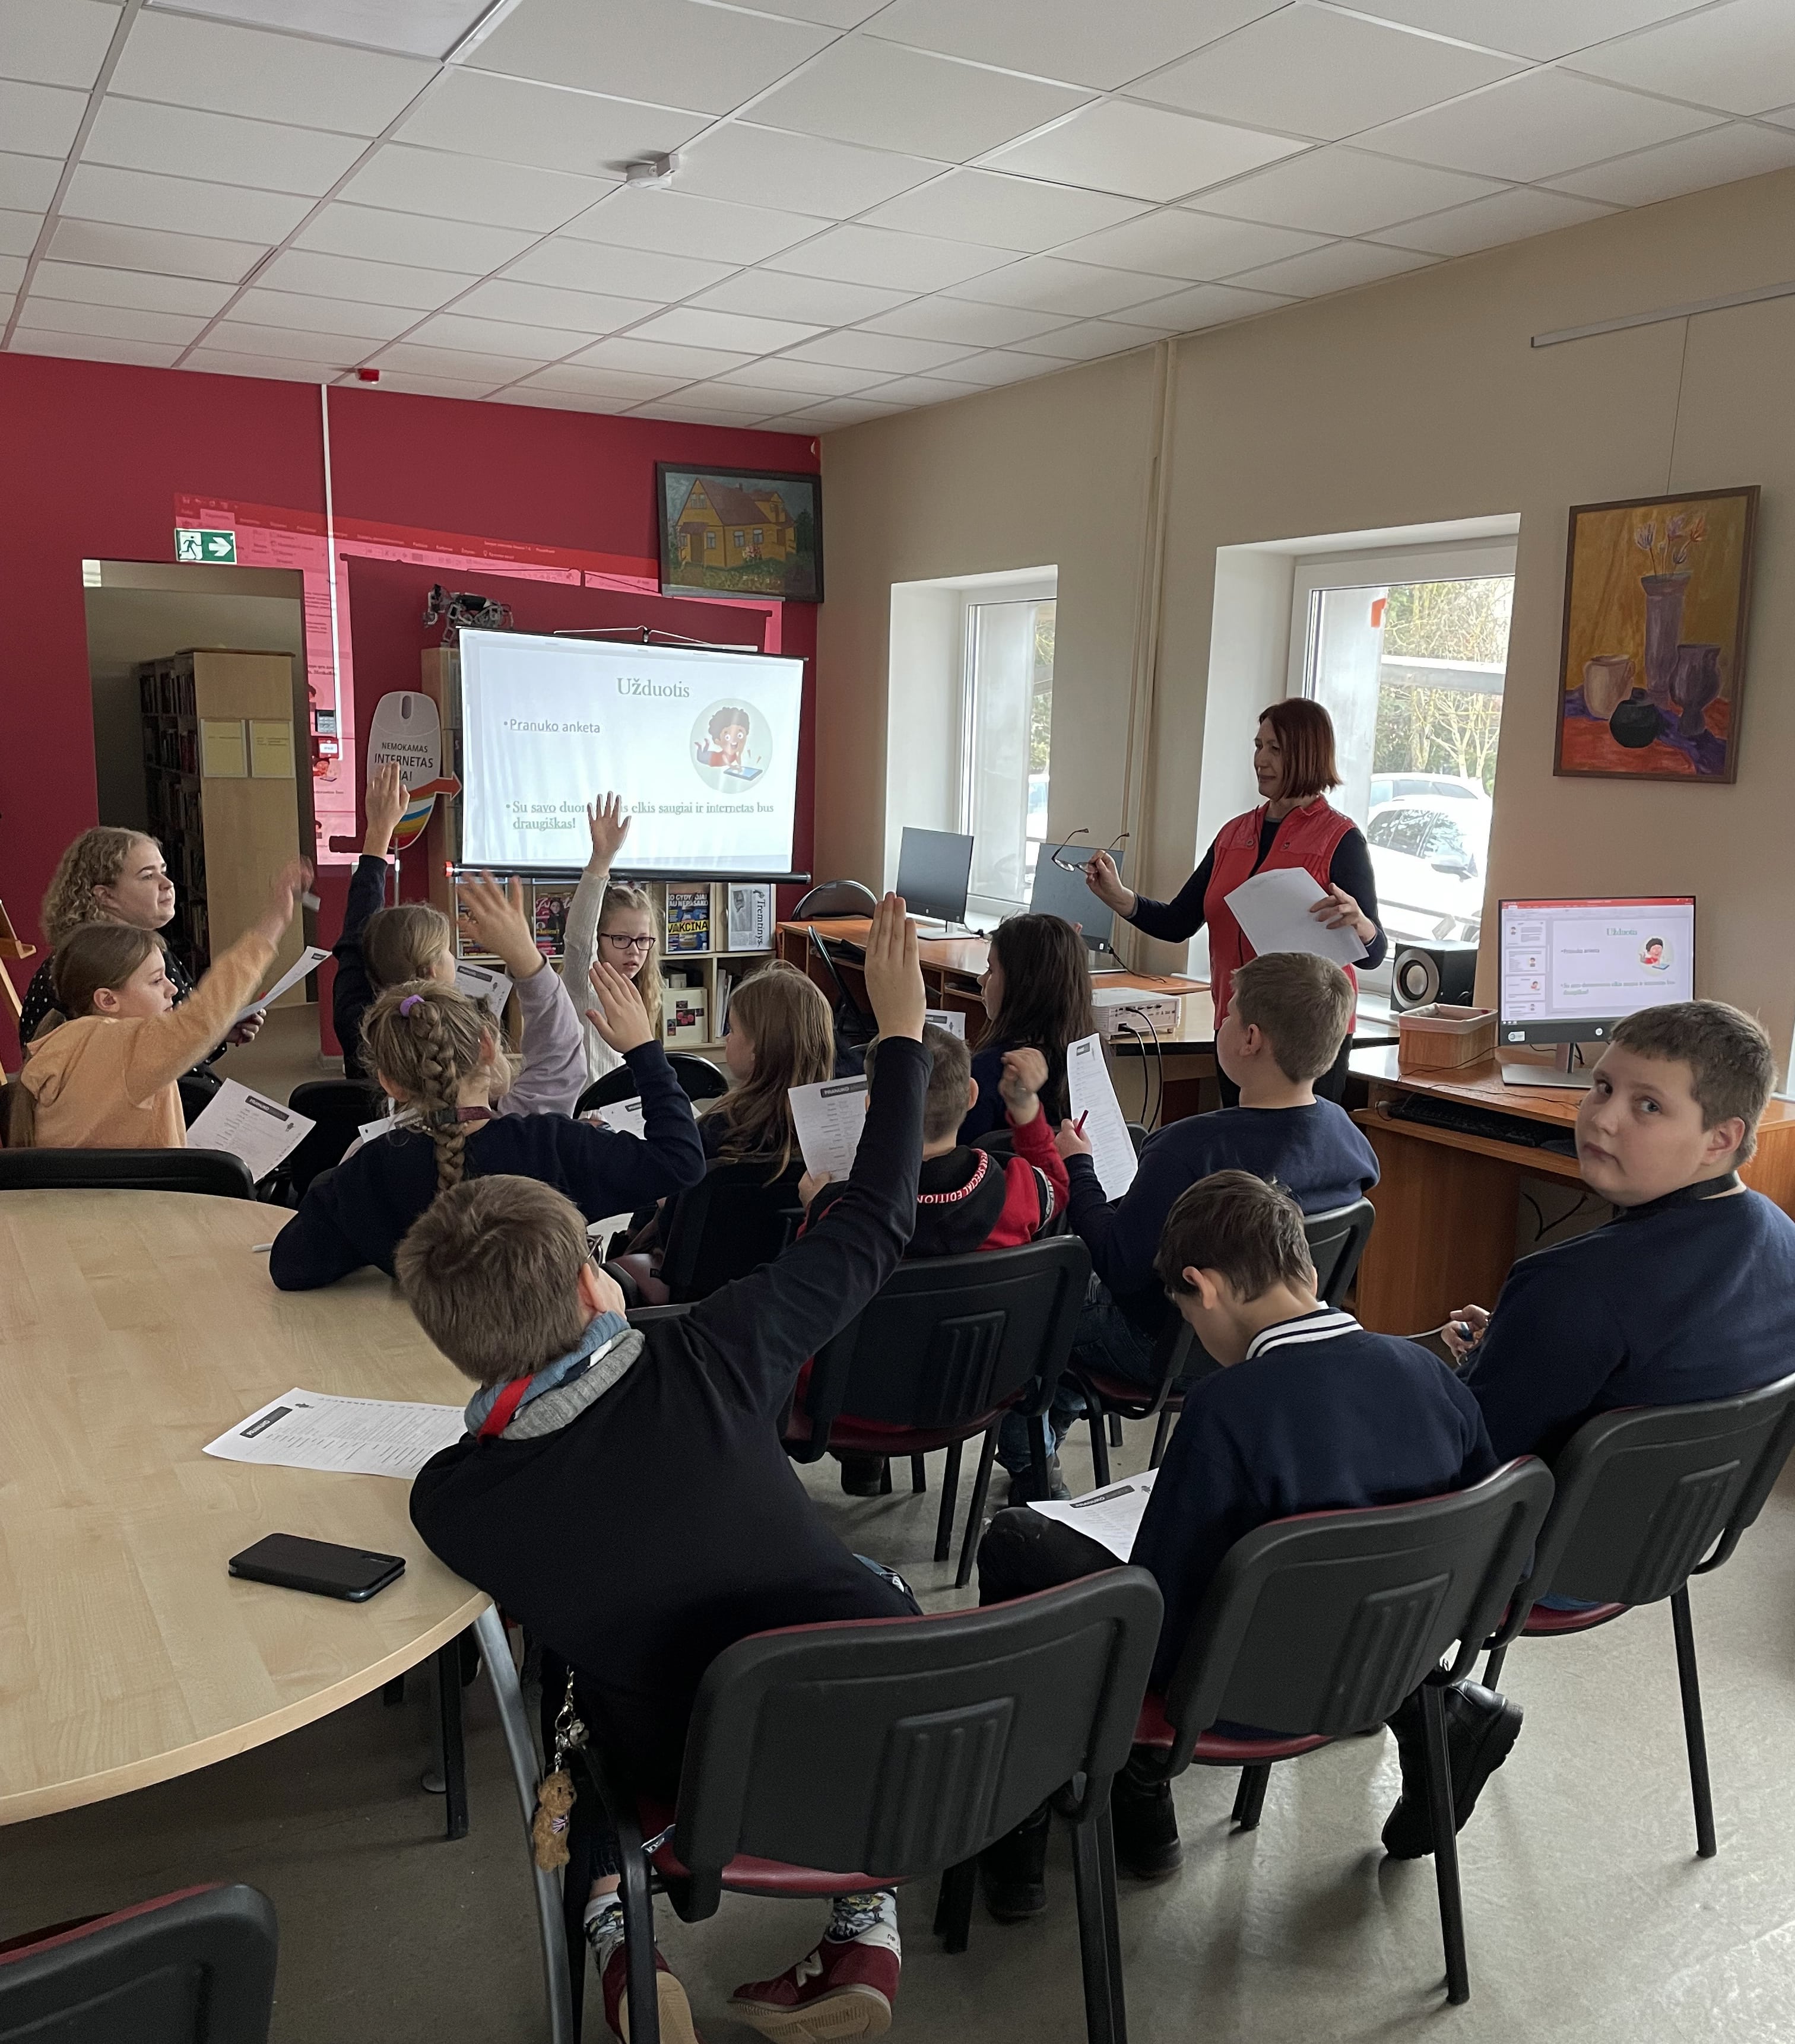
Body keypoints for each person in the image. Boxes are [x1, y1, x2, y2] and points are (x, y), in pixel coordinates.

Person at [402, 894, 931, 2044]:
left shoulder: (455, 1499)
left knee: (569, 1684)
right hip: (868, 1716)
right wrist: (900, 1036)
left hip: (686, 1764)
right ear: (595, 1286)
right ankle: (867, 1928)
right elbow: (876, 1221)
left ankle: (620, 1941)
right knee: (865, 1604)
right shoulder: (712, 1350)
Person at [973, 1171, 1505, 1916]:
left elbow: (1161, 1622)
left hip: (1234, 1696)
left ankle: (1025, 1831)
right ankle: (1145, 1812)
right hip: (1388, 1663)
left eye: (1187, 1313)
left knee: (1017, 1541)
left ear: (1203, 1287)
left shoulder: (1225, 1409)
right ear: (1308, 1271)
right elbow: (1493, 1546)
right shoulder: (1434, 1378)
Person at [997, 951, 1379, 1498]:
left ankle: (1029, 1460)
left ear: (1250, 1039)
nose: (1221, 1022)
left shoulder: (1189, 1148)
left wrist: (1079, 1166)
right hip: (1268, 1345)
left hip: (1160, 1342)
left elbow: (1118, 1265)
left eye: (1228, 1014)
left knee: (1038, 1299)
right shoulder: (1348, 1137)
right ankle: (1055, 1421)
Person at [268, 956, 703, 1289]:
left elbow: (289, 1267)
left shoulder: (370, 1171)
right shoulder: (555, 1145)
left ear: (390, 1084)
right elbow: (682, 1162)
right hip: (544, 1361)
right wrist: (644, 1051)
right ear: (488, 1047)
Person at [801, 1025, 1070, 1495]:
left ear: (873, 1106)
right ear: (972, 1095)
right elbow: (1059, 1189)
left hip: (855, 1406)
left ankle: (862, 1463)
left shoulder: (843, 1210)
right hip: (981, 1392)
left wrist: (813, 1208)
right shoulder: (1020, 1184)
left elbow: (806, 1304)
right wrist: (1027, 1113)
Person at [1082, 699, 1388, 1104]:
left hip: (1307, 1036)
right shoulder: (1233, 834)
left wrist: (1361, 926)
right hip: (1237, 1024)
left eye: (1275, 749)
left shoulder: (1341, 839)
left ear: (1307, 754)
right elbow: (1178, 922)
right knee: (1241, 1140)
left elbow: (1374, 954)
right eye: (1258, 746)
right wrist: (1120, 897)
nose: (1261, 760)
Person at [331, 764, 584, 1116]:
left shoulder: (359, 1024)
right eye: (448, 951)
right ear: (487, 1051)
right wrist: (526, 956)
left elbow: (355, 940)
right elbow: (559, 1063)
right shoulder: (511, 1124)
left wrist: (378, 833)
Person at [8, 861, 309, 1150]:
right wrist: (275, 921)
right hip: (142, 1186)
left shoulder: (62, 1041)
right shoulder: (129, 1048)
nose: (173, 989)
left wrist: (218, 1031)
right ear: (108, 1000)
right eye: (156, 981)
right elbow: (204, 1015)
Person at [21, 826, 265, 1103]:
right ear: (105, 896)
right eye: (148, 876)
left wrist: (218, 1030)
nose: (167, 884)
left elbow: (175, 1037)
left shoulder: (149, 950)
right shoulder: (96, 967)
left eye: (164, 871)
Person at [957, 913, 1095, 1143]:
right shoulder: (1090, 1060)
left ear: (1023, 985)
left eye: (991, 970)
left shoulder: (987, 1072)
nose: (981, 980)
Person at [562, 793, 664, 1086]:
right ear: (599, 939)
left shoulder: (644, 989)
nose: (634, 951)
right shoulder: (586, 982)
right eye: (621, 939)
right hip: (590, 1110)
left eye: (643, 940)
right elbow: (579, 941)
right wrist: (601, 859)